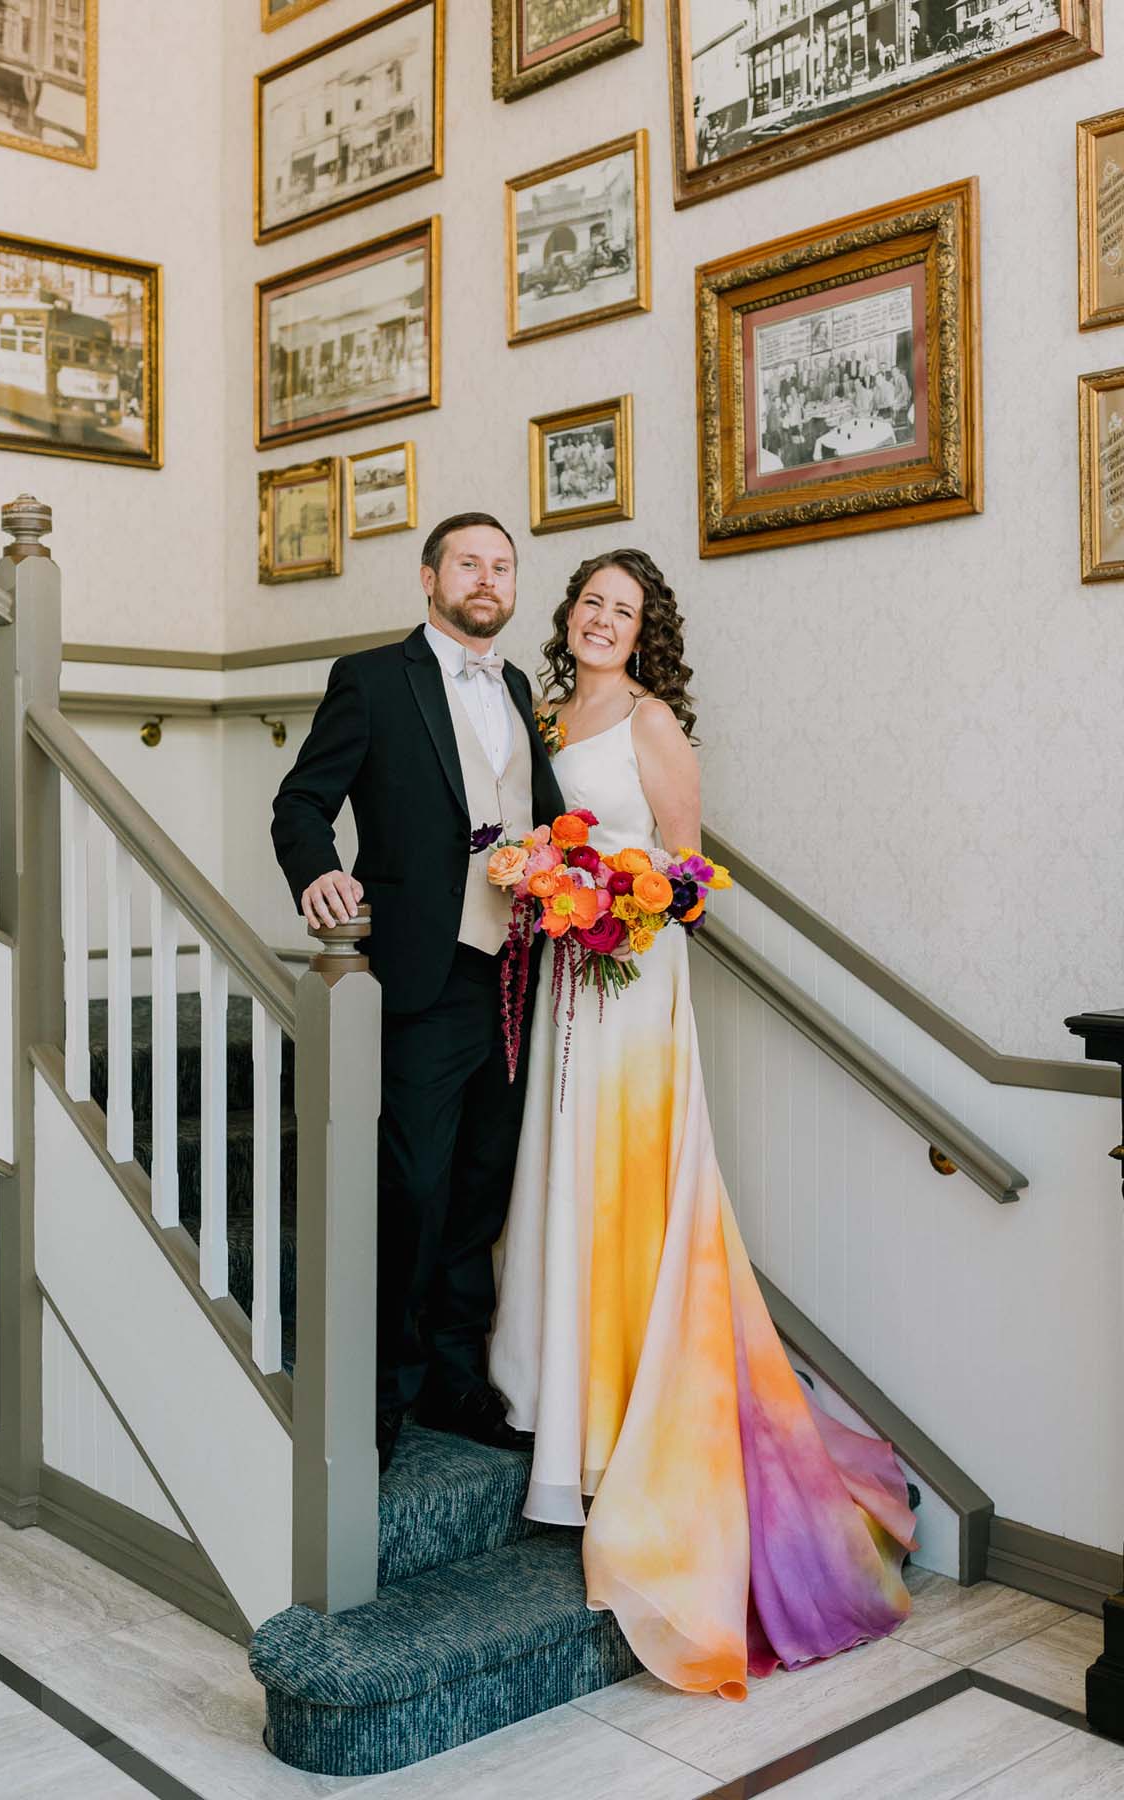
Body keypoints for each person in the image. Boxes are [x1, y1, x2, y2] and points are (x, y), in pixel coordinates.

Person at [489, 549, 915, 1699]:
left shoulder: (650, 719)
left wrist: (615, 908)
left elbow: (686, 872)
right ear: (569, 615)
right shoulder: (541, 710)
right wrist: (542, 883)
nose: (602, 622)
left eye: (623, 611)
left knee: (624, 1193)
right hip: (565, 973)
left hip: (630, 983)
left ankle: (623, 1434)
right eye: (590, 604)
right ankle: (558, 1420)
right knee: (558, 1180)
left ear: (644, 630)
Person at [271, 513, 565, 1473]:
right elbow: (301, 801)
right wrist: (317, 871)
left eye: (502, 566)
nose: (487, 578)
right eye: (469, 563)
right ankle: (380, 1395)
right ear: (429, 577)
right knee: (414, 1184)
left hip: (514, 970)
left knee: (482, 1187)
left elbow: (547, 820)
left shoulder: (517, 686)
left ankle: (452, 1377)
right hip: (420, 972)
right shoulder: (370, 679)